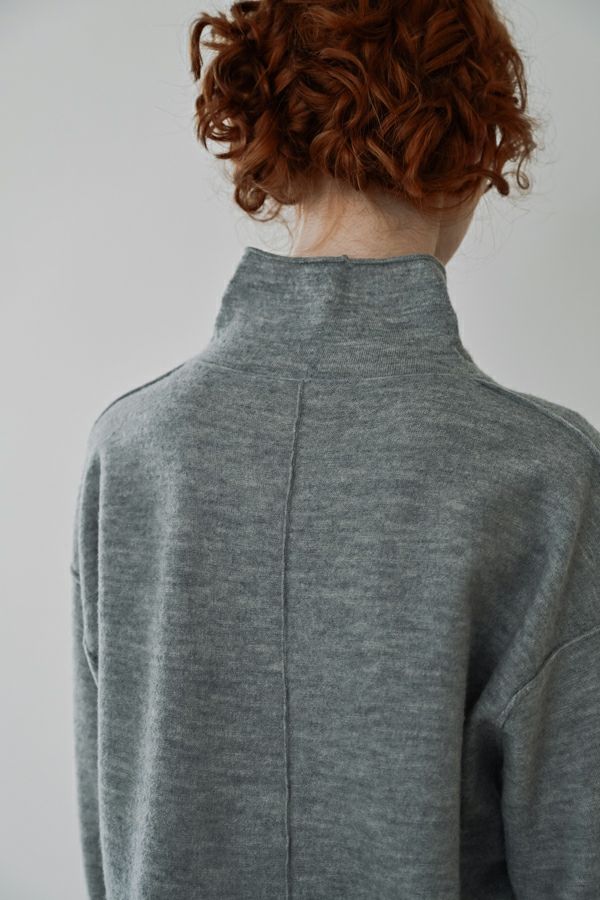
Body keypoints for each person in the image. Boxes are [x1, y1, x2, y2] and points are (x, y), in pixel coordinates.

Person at [71, 2, 600, 899]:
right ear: (473, 153)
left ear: (270, 147)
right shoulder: (544, 475)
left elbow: (112, 840)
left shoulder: (132, 453)